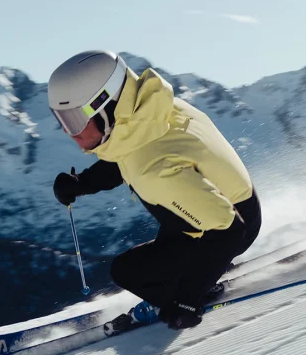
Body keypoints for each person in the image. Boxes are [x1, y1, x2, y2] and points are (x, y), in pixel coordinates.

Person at [49, 51, 261, 331]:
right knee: (157, 254)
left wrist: (188, 300)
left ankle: (192, 288)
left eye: (74, 120)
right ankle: (196, 276)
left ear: (106, 105)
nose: (69, 132)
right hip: (219, 208)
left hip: (224, 228)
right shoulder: (149, 113)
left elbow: (229, 230)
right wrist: (82, 184)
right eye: (61, 119)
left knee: (128, 272)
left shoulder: (153, 169)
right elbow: (125, 158)